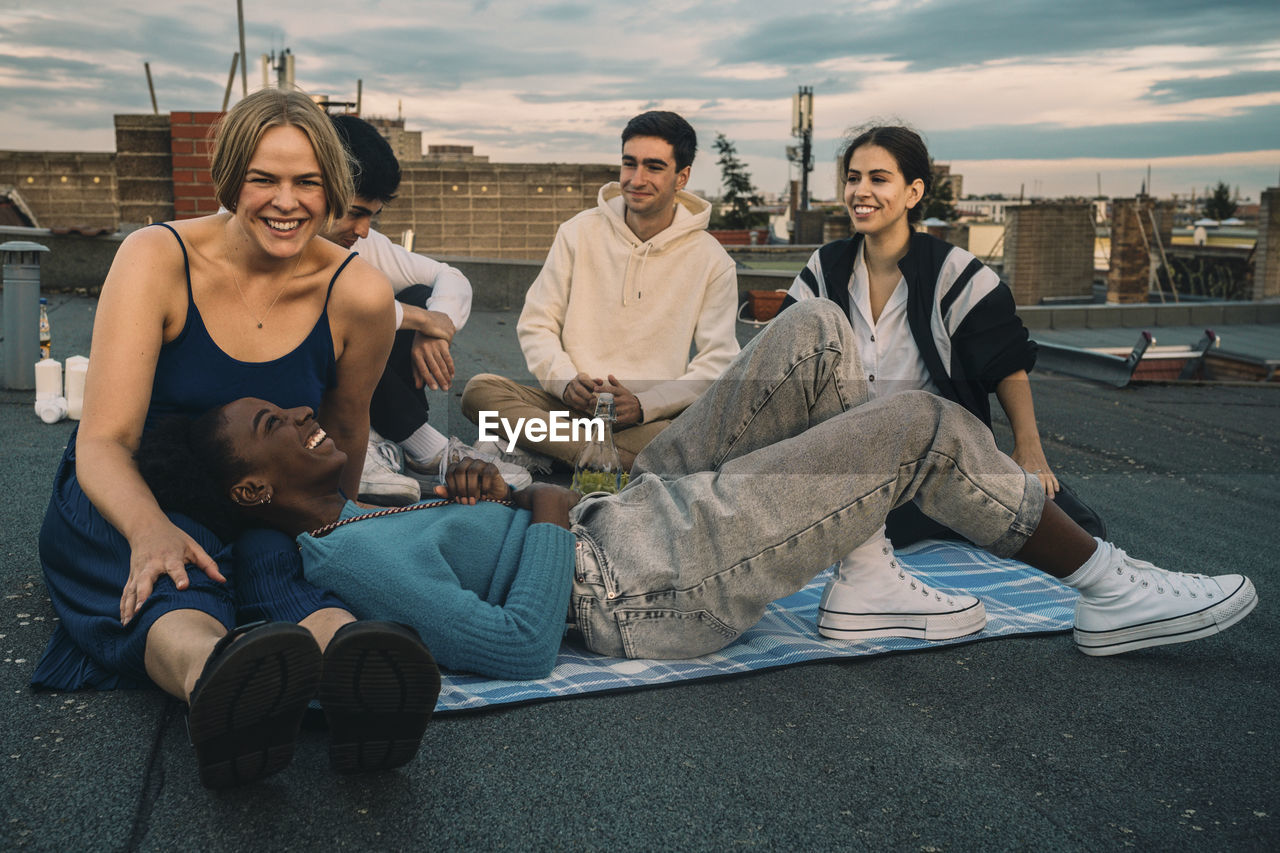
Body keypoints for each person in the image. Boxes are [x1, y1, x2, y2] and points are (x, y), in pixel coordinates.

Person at [137, 301, 1257, 682]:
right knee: (916, 423)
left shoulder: (706, 266)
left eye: (650, 163)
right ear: (251, 484)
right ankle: (1103, 587)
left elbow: (711, 360)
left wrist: (512, 484)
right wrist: (524, 487)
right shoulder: (345, 552)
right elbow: (522, 641)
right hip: (629, 567)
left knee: (812, 329)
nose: (299, 415)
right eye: (273, 425)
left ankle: (861, 572)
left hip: (633, 455)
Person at [32, 88, 439, 787]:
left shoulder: (360, 296)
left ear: (333, 190)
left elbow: (346, 426)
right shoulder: (156, 257)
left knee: (283, 571)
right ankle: (214, 678)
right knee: (175, 577)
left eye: (308, 182)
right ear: (229, 179)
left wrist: (330, 536)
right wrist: (148, 529)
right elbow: (103, 441)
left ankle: (358, 670)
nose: (288, 201)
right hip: (143, 481)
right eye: (264, 179)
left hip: (264, 495)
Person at [782, 124, 1106, 642]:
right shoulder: (825, 268)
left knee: (1068, 521)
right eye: (853, 178)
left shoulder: (956, 272)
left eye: (879, 179)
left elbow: (1006, 364)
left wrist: (1030, 448)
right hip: (841, 459)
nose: (861, 192)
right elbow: (786, 358)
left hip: (929, 462)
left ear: (913, 192)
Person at [461, 110, 740, 471]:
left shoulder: (712, 260)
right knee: (479, 391)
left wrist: (644, 405)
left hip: (643, 422)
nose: (636, 179)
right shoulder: (577, 232)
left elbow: (718, 361)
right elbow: (537, 323)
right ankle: (591, 457)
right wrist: (564, 382)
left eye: (653, 167)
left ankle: (537, 448)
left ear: (681, 177)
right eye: (629, 164)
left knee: (684, 448)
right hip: (566, 407)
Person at [322, 115, 528, 505]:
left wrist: (435, 325)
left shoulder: (361, 243)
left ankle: (399, 446)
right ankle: (406, 447)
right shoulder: (275, 238)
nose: (363, 230)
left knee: (418, 292)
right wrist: (417, 318)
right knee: (354, 317)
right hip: (285, 406)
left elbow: (449, 277)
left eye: (371, 216)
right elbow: (327, 309)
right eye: (354, 213)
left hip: (360, 398)